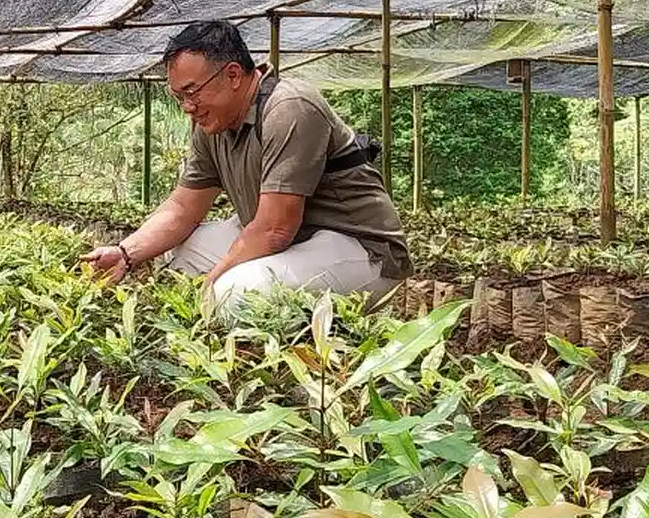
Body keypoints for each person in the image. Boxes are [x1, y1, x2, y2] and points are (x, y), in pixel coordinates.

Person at [83, 20, 413, 312]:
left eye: (192, 91)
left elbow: (275, 228)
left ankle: (280, 353)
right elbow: (183, 208)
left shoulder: (289, 107)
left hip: (360, 251)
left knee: (234, 292)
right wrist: (126, 253)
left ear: (233, 75)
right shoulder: (211, 125)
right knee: (180, 249)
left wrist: (213, 281)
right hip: (293, 243)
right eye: (178, 96)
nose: (187, 107)